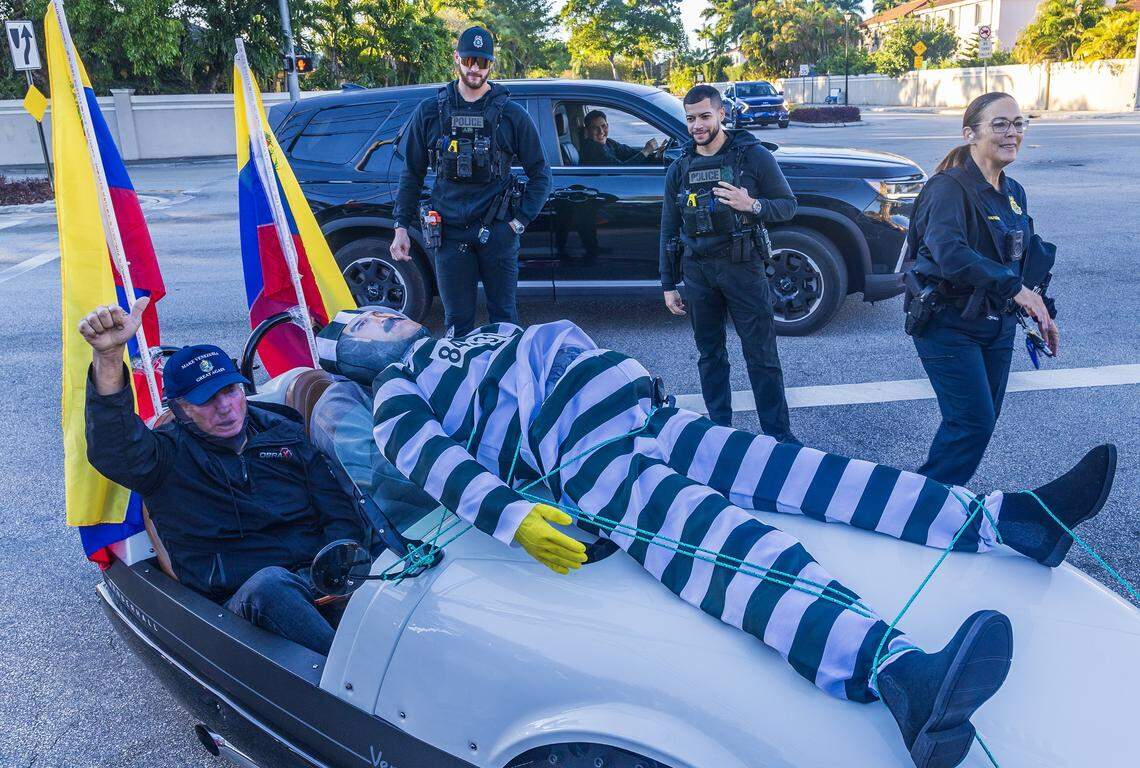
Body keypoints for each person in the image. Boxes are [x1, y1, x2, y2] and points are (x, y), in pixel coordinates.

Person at [313, 306, 1116, 768]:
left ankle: (1009, 522)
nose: (386, 318)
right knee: (730, 553)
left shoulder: (470, 331)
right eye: (366, 325)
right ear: (354, 356)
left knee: (817, 477)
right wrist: (510, 515)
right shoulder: (400, 392)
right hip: (584, 460)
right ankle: (899, 675)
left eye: (384, 309)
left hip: (647, 413)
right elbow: (433, 460)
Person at [80, 298, 365, 655]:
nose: (226, 408)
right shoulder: (163, 458)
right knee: (271, 585)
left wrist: (344, 563)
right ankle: (348, 683)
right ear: (179, 408)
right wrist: (108, 359)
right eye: (207, 400)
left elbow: (337, 509)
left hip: (318, 573)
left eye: (231, 391)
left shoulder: (285, 431)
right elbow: (113, 447)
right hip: (241, 599)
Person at [905, 92, 1060, 486]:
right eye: (1000, 124)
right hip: (947, 323)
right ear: (970, 133)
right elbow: (950, 255)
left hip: (997, 325)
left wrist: (1039, 307)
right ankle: (922, 505)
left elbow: (1017, 260)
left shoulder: (1014, 193)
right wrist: (1015, 289)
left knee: (979, 424)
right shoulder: (947, 189)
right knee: (970, 424)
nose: (1012, 133)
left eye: (1018, 123)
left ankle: (936, 499)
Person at [390, 25, 552, 337]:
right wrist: (400, 227)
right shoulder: (430, 112)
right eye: (468, 60)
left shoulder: (512, 115)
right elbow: (411, 172)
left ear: (492, 63)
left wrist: (517, 224)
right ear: (457, 59)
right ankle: (464, 384)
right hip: (449, 235)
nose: (474, 68)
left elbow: (541, 175)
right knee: (457, 324)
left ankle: (503, 383)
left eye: (482, 61)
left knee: (504, 323)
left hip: (498, 234)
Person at [660, 84, 798, 441]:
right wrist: (667, 284)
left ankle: (778, 438)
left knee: (762, 357)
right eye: (691, 119)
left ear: (722, 114)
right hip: (698, 271)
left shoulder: (752, 156)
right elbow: (668, 229)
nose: (697, 126)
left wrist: (750, 204)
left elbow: (787, 205)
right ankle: (720, 435)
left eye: (705, 116)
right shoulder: (680, 167)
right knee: (710, 356)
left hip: (742, 266)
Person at [578, 109, 661, 166]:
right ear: (587, 131)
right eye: (595, 128)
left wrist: (655, 154)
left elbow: (628, 152)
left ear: (608, 125)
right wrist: (645, 152)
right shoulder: (593, 149)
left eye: (603, 126)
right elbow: (621, 169)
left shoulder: (608, 142)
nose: (601, 132)